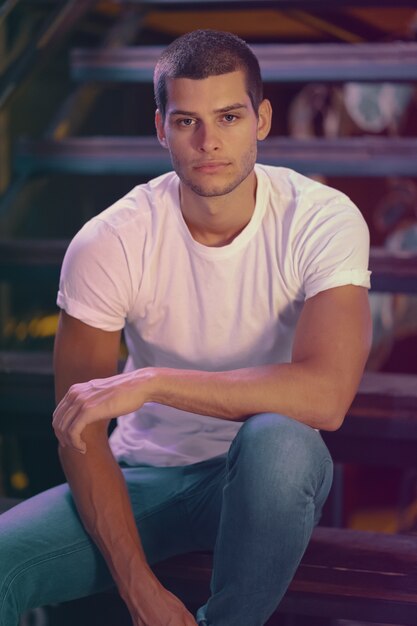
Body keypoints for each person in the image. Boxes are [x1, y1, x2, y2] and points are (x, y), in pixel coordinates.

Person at [0, 29, 372, 626]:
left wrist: (151, 381)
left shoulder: (321, 219)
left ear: (262, 119)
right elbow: (81, 431)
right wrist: (138, 588)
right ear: (159, 128)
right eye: (185, 122)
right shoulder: (110, 240)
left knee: (280, 440)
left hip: (261, 484)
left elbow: (326, 398)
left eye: (228, 116)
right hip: (147, 476)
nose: (209, 142)